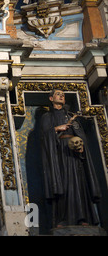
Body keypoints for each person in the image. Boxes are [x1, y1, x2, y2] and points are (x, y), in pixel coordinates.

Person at [40, 89, 101, 228]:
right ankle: (62, 219)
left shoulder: (71, 116)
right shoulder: (47, 117)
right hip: (58, 155)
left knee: (78, 184)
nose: (61, 96)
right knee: (62, 184)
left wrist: (81, 146)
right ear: (51, 98)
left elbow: (81, 136)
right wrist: (56, 129)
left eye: (63, 95)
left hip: (73, 154)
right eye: (58, 94)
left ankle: (82, 217)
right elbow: (44, 138)